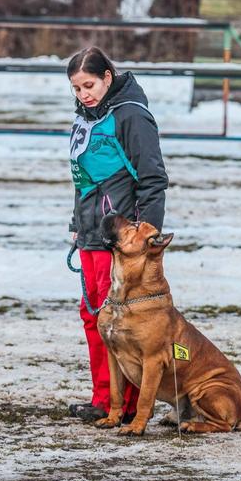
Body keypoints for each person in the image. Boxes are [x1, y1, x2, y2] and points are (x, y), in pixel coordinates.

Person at [66, 46, 169, 422]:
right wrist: (76, 224)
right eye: (77, 88)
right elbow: (83, 180)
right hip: (90, 234)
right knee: (93, 315)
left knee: (123, 321)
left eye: (89, 85)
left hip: (121, 240)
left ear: (107, 77)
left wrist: (147, 236)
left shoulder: (131, 115)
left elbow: (153, 178)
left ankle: (128, 404)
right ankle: (103, 397)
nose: (84, 94)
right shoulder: (87, 117)